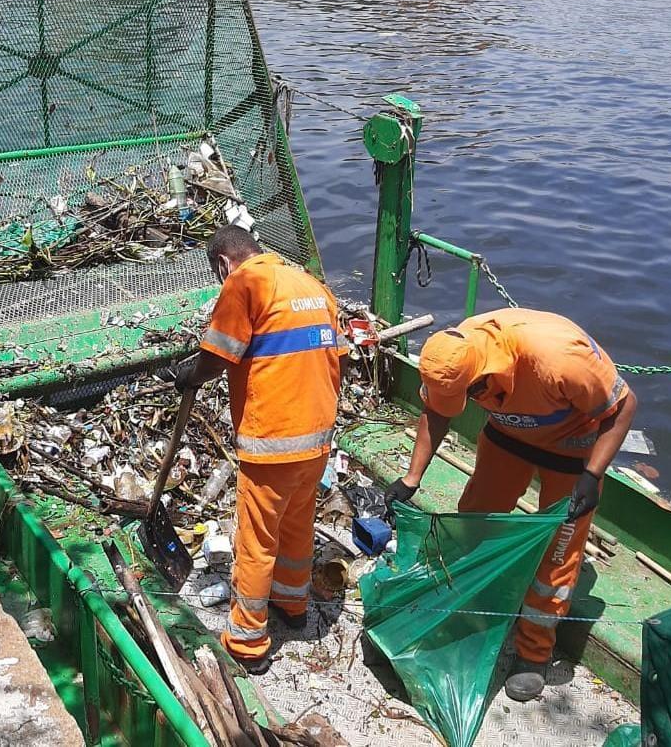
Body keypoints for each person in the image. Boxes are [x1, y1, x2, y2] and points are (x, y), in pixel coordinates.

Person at [384, 308, 637, 701]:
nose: (464, 402)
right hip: (508, 434)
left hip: (573, 451)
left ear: (484, 375)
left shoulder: (559, 360)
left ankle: (534, 652)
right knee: (473, 523)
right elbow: (435, 413)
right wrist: (412, 477)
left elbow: (623, 408)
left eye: (469, 395)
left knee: (557, 554)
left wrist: (592, 475)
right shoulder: (452, 352)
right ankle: (467, 613)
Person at [175, 225, 349, 674]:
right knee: (296, 526)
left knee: (255, 543)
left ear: (222, 264)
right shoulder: (310, 284)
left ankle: (248, 642)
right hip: (316, 441)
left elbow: (217, 357)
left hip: (272, 443)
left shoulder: (243, 282)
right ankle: (292, 605)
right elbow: (339, 357)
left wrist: (188, 377)